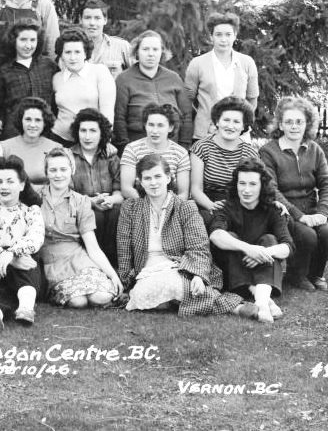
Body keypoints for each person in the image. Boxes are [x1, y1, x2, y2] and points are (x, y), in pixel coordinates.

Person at [117, 154, 247, 317]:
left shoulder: (185, 207)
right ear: (140, 182)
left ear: (168, 177)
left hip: (180, 267)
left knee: (181, 285)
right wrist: (126, 282)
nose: (154, 182)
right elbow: (124, 249)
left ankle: (235, 308)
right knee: (143, 294)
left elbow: (199, 247)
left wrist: (198, 276)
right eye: (147, 178)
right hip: (147, 269)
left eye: (158, 176)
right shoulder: (130, 208)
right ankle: (234, 306)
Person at [209, 159, 294, 323]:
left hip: (264, 266)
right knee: (230, 237)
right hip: (234, 274)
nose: (246, 190)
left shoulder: (273, 209)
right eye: (242, 183)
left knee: (270, 240)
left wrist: (263, 252)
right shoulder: (227, 207)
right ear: (236, 185)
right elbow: (215, 235)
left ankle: (261, 304)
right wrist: (248, 249)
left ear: (262, 186)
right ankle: (265, 301)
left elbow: (288, 246)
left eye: (253, 184)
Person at [259, 96, 328, 292]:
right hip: (283, 209)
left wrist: (322, 212)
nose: (294, 126)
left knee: (326, 232)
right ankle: (297, 275)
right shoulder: (268, 151)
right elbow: (271, 189)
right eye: (288, 121)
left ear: (307, 124)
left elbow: (325, 183)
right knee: (307, 236)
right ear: (280, 124)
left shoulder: (314, 149)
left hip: (312, 208)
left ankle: (315, 274)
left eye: (299, 122)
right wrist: (299, 215)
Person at [39, 148, 122, 308]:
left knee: (102, 297)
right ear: (46, 172)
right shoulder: (35, 197)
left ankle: (100, 285)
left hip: (78, 258)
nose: (58, 175)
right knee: (78, 302)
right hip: (51, 261)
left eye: (63, 169)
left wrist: (112, 274)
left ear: (72, 170)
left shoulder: (81, 201)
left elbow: (93, 247)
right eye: (53, 170)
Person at [0, 155, 45, 329]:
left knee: (29, 261)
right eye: (0, 181)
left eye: (10, 181)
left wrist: (13, 253)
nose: (4, 187)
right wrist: (8, 258)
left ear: (21, 184)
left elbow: (36, 237)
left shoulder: (31, 211)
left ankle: (26, 308)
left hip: (25, 267)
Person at [184, 11, 259, 141]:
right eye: (218, 34)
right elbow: (187, 100)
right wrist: (205, 121)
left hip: (239, 135)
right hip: (206, 134)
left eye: (228, 34)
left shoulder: (247, 63)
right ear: (211, 36)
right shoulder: (197, 64)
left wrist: (240, 124)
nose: (223, 39)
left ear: (235, 36)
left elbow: (252, 99)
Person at [113, 30, 192, 149]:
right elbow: (119, 118)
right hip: (137, 147)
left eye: (155, 49)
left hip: (171, 148)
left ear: (162, 53)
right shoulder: (123, 80)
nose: (151, 54)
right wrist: (125, 148)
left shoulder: (174, 78)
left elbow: (186, 116)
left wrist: (184, 146)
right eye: (145, 49)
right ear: (137, 52)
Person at [190, 96, 259, 227]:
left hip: (237, 205)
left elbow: (257, 188)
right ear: (217, 122)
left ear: (243, 126)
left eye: (236, 122)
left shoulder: (249, 153)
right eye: (226, 120)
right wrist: (211, 205)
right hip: (206, 204)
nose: (230, 126)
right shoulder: (201, 147)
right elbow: (195, 189)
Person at [68, 108, 122, 266]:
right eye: (83, 130)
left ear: (101, 133)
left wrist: (111, 199)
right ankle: (94, 265)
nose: (87, 136)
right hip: (81, 205)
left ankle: (115, 265)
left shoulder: (111, 156)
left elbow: (120, 190)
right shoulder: (69, 156)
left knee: (116, 213)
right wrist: (90, 201)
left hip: (110, 204)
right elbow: (67, 193)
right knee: (94, 216)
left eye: (93, 131)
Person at [0, 20, 57, 140]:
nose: (28, 45)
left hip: (45, 131)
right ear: (13, 41)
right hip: (15, 132)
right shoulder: (4, 71)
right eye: (23, 40)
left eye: (33, 40)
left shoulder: (48, 65)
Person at [51, 26, 115, 146]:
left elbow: (107, 111)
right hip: (59, 140)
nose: (72, 57)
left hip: (91, 140)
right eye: (68, 52)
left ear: (86, 53)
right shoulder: (57, 78)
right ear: (61, 55)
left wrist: (105, 141)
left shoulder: (100, 72)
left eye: (77, 52)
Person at [119, 103, 190, 200]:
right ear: (145, 125)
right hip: (139, 203)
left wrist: (165, 208)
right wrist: (151, 206)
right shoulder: (132, 149)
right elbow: (126, 189)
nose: (154, 131)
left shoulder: (180, 153)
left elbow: (183, 193)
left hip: (171, 206)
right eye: (151, 125)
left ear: (170, 127)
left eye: (160, 125)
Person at [0, 97, 63, 186]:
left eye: (38, 120)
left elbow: (60, 184)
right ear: (20, 120)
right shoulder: (4, 147)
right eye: (28, 119)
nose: (32, 125)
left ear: (45, 122)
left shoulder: (55, 148)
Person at [78, 0, 131, 78]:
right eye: (87, 18)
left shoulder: (122, 47)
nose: (92, 23)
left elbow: (138, 75)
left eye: (97, 18)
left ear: (105, 20)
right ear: (80, 20)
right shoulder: (72, 50)